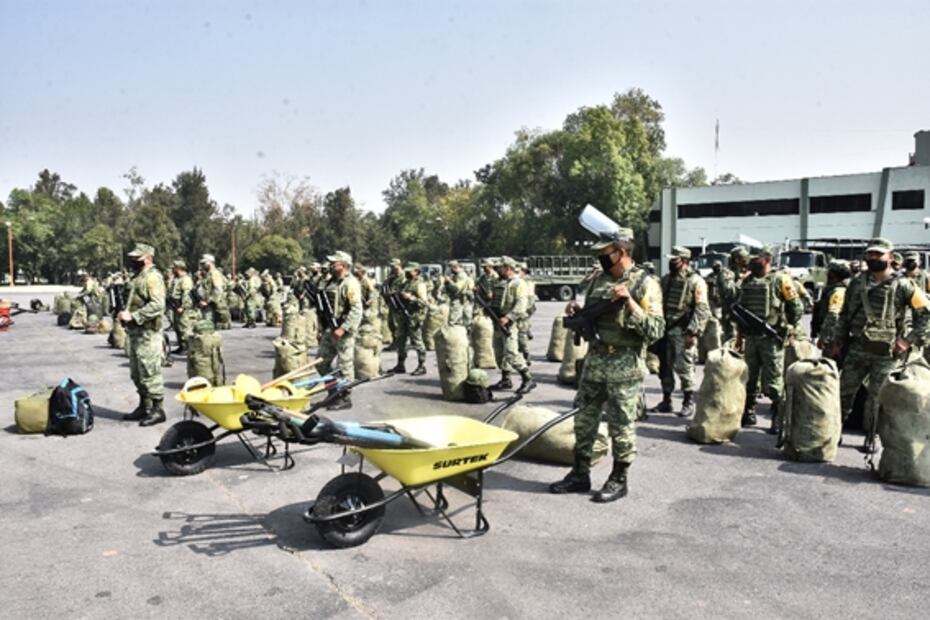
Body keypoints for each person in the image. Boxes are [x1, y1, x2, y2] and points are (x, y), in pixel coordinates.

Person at [550, 229, 664, 503]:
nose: (600, 257)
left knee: (621, 425)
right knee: (583, 420)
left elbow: (656, 330)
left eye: (605, 252)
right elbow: (591, 316)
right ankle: (580, 473)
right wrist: (577, 313)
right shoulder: (597, 280)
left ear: (621, 252)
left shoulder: (645, 283)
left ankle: (618, 479)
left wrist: (631, 304)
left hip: (625, 365)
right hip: (595, 361)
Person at [833, 238, 930, 451]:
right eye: (870, 254)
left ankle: (871, 438)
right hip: (858, 348)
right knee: (843, 393)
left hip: (887, 352)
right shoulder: (856, 283)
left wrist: (907, 340)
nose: (874, 258)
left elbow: (926, 315)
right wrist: (837, 340)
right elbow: (844, 315)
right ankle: (834, 431)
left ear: (889, 256)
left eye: (878, 254)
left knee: (877, 399)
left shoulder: (904, 285)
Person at [736, 245, 803, 431]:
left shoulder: (781, 280)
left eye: (757, 259)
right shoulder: (747, 281)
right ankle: (748, 411)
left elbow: (796, 307)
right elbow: (742, 311)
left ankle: (777, 415)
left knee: (774, 379)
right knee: (749, 377)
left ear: (767, 260)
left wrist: (789, 327)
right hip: (752, 337)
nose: (752, 262)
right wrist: (740, 336)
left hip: (771, 337)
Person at [652, 246, 710, 417]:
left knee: (685, 367)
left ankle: (687, 401)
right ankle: (666, 400)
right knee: (665, 367)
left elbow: (702, 308)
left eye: (674, 259)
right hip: (665, 330)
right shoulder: (666, 280)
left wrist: (693, 332)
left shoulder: (696, 281)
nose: (671, 262)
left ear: (684, 261)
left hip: (683, 331)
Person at [117, 243, 167, 426]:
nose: (133, 261)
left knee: (150, 372)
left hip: (148, 333)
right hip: (136, 332)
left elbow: (158, 305)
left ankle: (158, 409)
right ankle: (144, 406)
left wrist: (134, 316)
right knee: (137, 373)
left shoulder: (153, 277)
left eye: (137, 258)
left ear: (148, 258)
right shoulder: (139, 276)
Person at [317, 252, 363, 407]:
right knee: (321, 363)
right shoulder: (332, 282)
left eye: (334, 263)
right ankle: (333, 392)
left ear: (343, 265)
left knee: (344, 366)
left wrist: (343, 328)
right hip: (330, 329)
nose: (330, 265)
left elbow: (357, 310)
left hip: (343, 331)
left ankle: (344, 397)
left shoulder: (350, 283)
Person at [489, 256, 536, 394]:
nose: (497, 270)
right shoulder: (500, 283)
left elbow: (521, 304)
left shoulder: (518, 283)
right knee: (499, 353)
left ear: (508, 268)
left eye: (500, 267)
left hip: (511, 323)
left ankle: (528, 378)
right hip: (498, 320)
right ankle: (505, 379)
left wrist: (508, 317)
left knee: (511, 352)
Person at [389, 262, 430, 375]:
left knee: (417, 341)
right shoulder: (406, 283)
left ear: (416, 272)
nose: (407, 273)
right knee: (400, 340)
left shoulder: (419, 285)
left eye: (410, 271)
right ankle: (400, 364)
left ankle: (422, 365)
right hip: (403, 316)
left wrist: (410, 297)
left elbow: (424, 303)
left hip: (414, 317)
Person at [812, 260, 851, 359]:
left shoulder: (838, 292)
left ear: (833, 275)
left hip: (835, 338)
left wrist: (824, 337)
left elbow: (833, 316)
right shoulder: (832, 290)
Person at [168, 260, 196, 353]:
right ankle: (181, 345)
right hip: (175, 305)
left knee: (185, 327)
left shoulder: (186, 279)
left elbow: (186, 294)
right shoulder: (176, 279)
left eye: (174, 268)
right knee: (177, 327)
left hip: (182, 307)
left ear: (179, 268)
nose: (172, 270)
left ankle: (187, 346)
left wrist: (183, 306)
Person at [197, 254, 228, 327]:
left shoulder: (215, 273)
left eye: (204, 263)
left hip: (212, 305)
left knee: (208, 326)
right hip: (207, 304)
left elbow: (218, 290)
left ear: (210, 263)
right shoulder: (208, 274)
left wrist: (207, 301)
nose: (202, 265)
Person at [444, 260, 474, 327]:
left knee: (454, 322)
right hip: (460, 301)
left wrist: (449, 281)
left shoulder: (461, 275)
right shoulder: (456, 275)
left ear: (455, 267)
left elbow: (456, 289)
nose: (450, 270)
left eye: (451, 268)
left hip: (461, 300)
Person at [517, 262, 537, 364]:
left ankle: (525, 354)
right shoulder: (517, 281)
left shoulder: (527, 282)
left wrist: (523, 313)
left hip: (522, 313)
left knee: (521, 336)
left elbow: (529, 301)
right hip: (517, 312)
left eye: (519, 270)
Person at [383, 258, 405, 351]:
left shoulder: (403, 276)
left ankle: (400, 343)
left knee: (398, 324)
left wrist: (395, 292)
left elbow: (405, 288)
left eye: (394, 265)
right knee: (391, 323)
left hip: (400, 303)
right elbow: (386, 285)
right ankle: (395, 341)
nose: (392, 267)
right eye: (391, 266)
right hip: (392, 302)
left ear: (399, 265)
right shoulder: (391, 276)